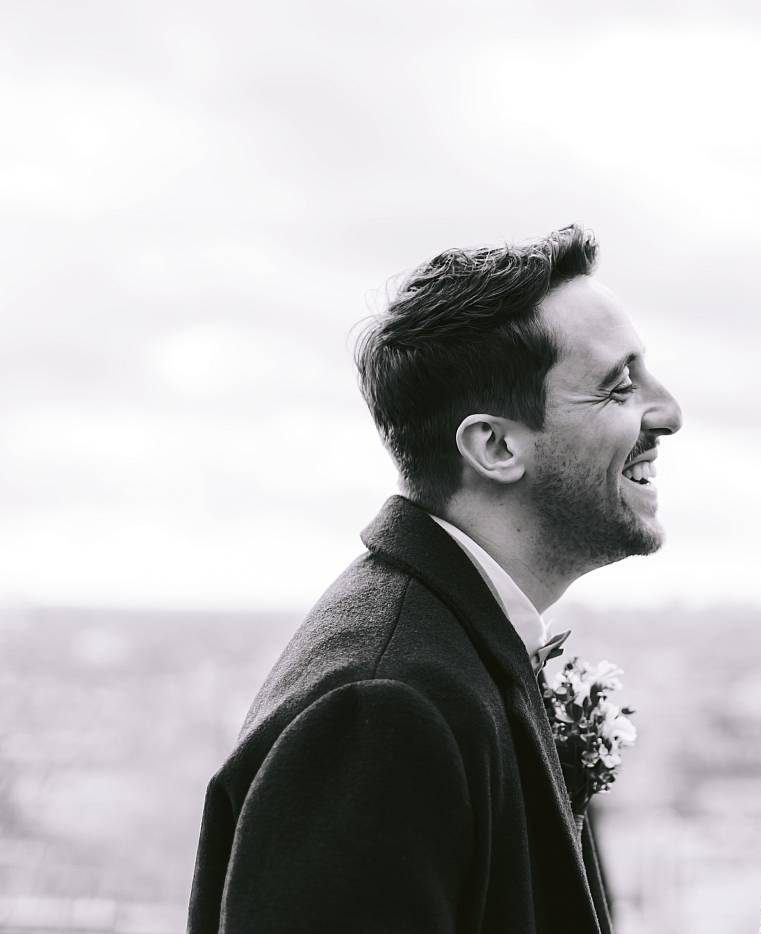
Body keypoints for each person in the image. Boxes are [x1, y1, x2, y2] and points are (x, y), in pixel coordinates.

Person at [186, 224, 681, 934]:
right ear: (497, 445)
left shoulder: (453, 646)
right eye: (619, 387)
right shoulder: (380, 713)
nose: (668, 412)